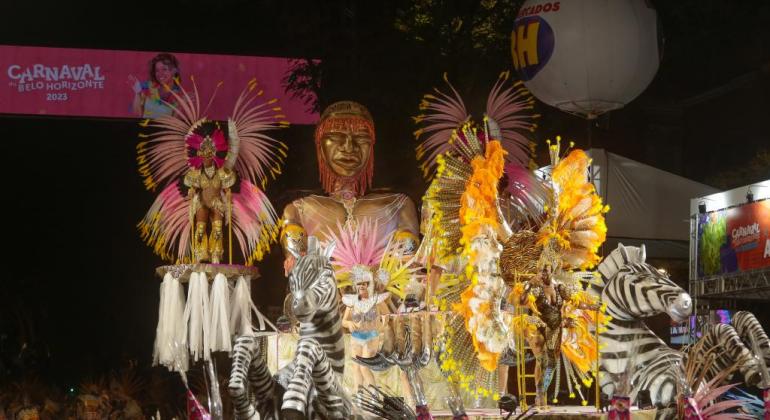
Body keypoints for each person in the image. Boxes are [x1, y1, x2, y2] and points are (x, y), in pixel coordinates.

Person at [280, 101, 420, 274]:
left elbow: (409, 272)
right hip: (324, 299)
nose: (348, 147)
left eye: (361, 137)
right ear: (320, 145)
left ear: (372, 145)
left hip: (382, 298)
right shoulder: (298, 210)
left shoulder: (398, 206)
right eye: (337, 136)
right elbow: (299, 275)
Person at [183, 123, 236, 264]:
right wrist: (191, 192)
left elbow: (226, 187)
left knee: (218, 229)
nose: (206, 159)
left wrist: (229, 193)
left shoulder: (221, 173)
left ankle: (216, 253)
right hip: (202, 202)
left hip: (216, 203)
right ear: (200, 156)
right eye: (204, 156)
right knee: (200, 229)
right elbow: (193, 187)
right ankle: (201, 253)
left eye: (208, 156)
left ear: (213, 156)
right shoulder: (197, 174)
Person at [341, 267, 390, 390]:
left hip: (371, 337)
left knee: (364, 367)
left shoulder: (376, 300)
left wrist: (382, 325)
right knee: (356, 367)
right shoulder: (352, 302)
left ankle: (374, 394)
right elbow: (344, 321)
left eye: (364, 283)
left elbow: (387, 315)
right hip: (356, 337)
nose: (361, 286)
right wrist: (349, 324)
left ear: (369, 284)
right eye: (359, 284)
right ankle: (360, 395)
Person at [128, 53, 181, 118]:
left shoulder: (179, 96)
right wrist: (137, 91)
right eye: (157, 70)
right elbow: (137, 113)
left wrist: (181, 105)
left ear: (174, 70)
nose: (160, 74)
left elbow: (175, 122)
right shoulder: (148, 87)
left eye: (164, 69)